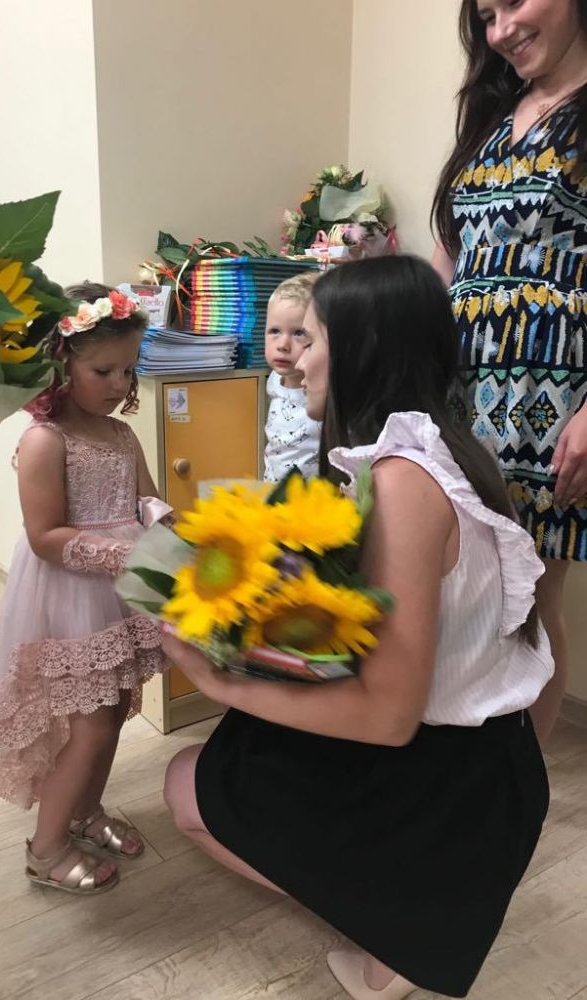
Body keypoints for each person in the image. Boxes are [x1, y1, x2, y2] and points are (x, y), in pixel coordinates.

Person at [162, 257, 553, 999]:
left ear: (360, 348)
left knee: (188, 785)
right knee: (230, 753)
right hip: (487, 761)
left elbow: (386, 716)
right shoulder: (442, 451)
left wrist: (213, 677)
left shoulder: (405, 483)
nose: (295, 360)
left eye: (309, 340)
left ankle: (397, 929)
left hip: (446, 781)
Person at [0, 283, 168, 895]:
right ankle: (46, 848)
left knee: (114, 710)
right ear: (59, 366)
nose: (118, 384)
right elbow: (45, 536)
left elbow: (147, 502)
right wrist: (125, 554)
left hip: (122, 592)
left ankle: (86, 812)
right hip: (71, 595)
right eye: (102, 370)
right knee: (88, 726)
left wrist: (177, 531)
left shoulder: (122, 436)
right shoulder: (45, 438)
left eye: (128, 370)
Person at [431, 0, 587, 743]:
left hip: (552, 395)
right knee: (456, 589)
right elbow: (450, 253)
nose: (500, 31)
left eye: (514, 3)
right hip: (459, 390)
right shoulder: (492, 112)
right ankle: (458, 764)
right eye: (486, 14)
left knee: (527, 604)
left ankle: (515, 781)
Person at [263, 271, 322, 482]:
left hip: (312, 497)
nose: (282, 345)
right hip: (273, 489)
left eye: (298, 333)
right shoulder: (274, 380)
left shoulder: (322, 391)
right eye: (274, 331)